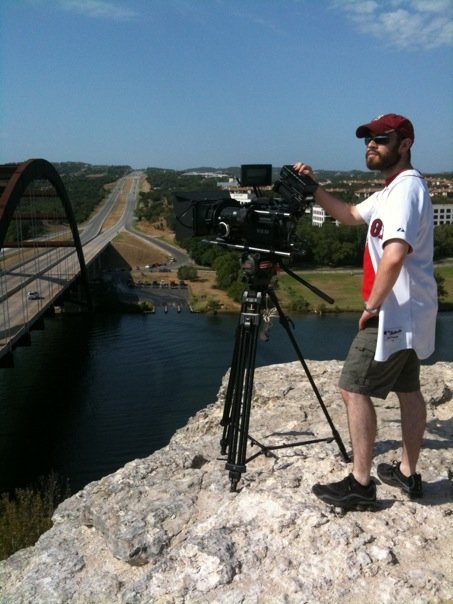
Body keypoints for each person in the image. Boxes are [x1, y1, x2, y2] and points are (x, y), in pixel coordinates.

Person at [294, 113, 437, 509]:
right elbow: (349, 215)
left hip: (392, 311)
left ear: (405, 143)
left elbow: (393, 256)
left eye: (381, 138)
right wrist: (315, 188)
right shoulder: (390, 191)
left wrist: (371, 307)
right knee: (408, 390)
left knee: (352, 387)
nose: (371, 145)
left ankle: (360, 484)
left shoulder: (406, 190)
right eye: (368, 139)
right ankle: (408, 473)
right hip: (413, 310)